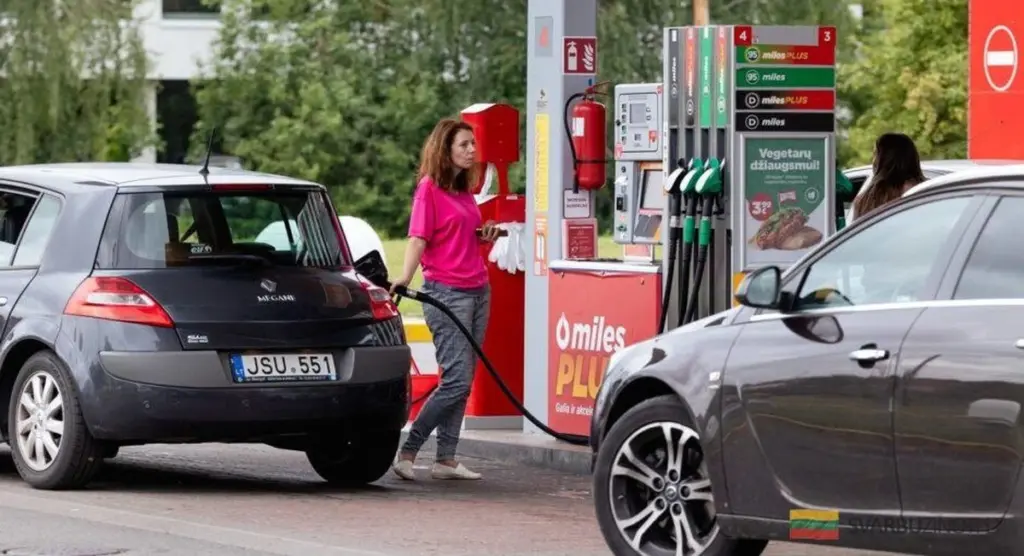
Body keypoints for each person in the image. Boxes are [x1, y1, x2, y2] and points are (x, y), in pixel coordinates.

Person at [389, 118, 501, 481]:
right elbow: (418, 238)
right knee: (455, 379)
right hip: (446, 293)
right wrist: (404, 277)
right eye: (464, 145)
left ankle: (446, 459)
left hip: (478, 289)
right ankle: (409, 450)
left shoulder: (463, 190)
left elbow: (459, 237)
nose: (472, 150)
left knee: (464, 380)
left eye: (472, 144)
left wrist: (484, 235)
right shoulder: (429, 190)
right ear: (445, 149)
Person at [850, 132, 926, 222]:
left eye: (875, 154)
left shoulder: (864, 200)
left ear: (882, 160)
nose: (873, 160)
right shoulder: (927, 190)